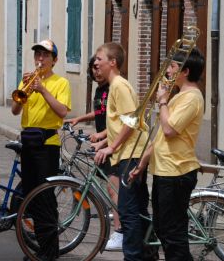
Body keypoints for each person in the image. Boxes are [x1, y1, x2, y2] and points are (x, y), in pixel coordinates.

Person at [130, 47, 205, 260]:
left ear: (185, 71)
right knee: (163, 230)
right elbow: (160, 138)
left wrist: (162, 100)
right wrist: (142, 164)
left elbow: (170, 130)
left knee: (173, 234)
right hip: (165, 171)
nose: (168, 71)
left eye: (172, 67)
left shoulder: (191, 97)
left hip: (177, 172)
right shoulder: (179, 96)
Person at [11, 39, 71, 260]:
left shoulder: (61, 83)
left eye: (45, 55)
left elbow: (62, 111)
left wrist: (43, 89)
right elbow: (15, 110)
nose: (40, 59)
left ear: (54, 60)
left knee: (45, 198)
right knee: (30, 198)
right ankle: (37, 248)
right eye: (37, 54)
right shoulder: (27, 80)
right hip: (29, 142)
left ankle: (49, 252)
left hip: (47, 145)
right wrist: (22, 90)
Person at [93, 42, 153, 261]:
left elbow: (131, 120)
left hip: (132, 153)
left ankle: (134, 257)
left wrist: (112, 146)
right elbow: (120, 124)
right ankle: (148, 254)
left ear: (113, 62)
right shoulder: (115, 86)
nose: (95, 63)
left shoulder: (119, 85)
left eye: (99, 59)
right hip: (129, 152)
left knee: (127, 212)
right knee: (138, 209)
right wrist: (104, 141)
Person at [66, 55, 123, 251]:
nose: (96, 72)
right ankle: (119, 221)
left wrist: (102, 136)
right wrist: (79, 118)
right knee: (109, 187)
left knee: (113, 189)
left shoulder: (113, 88)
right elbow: (100, 113)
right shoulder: (100, 90)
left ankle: (120, 231)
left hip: (114, 143)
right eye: (93, 69)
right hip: (105, 141)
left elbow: (121, 121)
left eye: (98, 68)